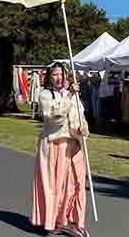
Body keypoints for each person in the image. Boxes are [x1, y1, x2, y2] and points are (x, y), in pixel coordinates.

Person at [31, 62, 90, 237]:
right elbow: (53, 118)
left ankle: (72, 221)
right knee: (54, 185)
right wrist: (70, 95)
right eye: (55, 74)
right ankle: (51, 222)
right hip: (53, 145)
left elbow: (79, 117)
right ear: (50, 77)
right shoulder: (45, 95)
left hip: (73, 144)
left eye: (62, 74)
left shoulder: (73, 96)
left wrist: (82, 129)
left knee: (74, 185)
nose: (59, 78)